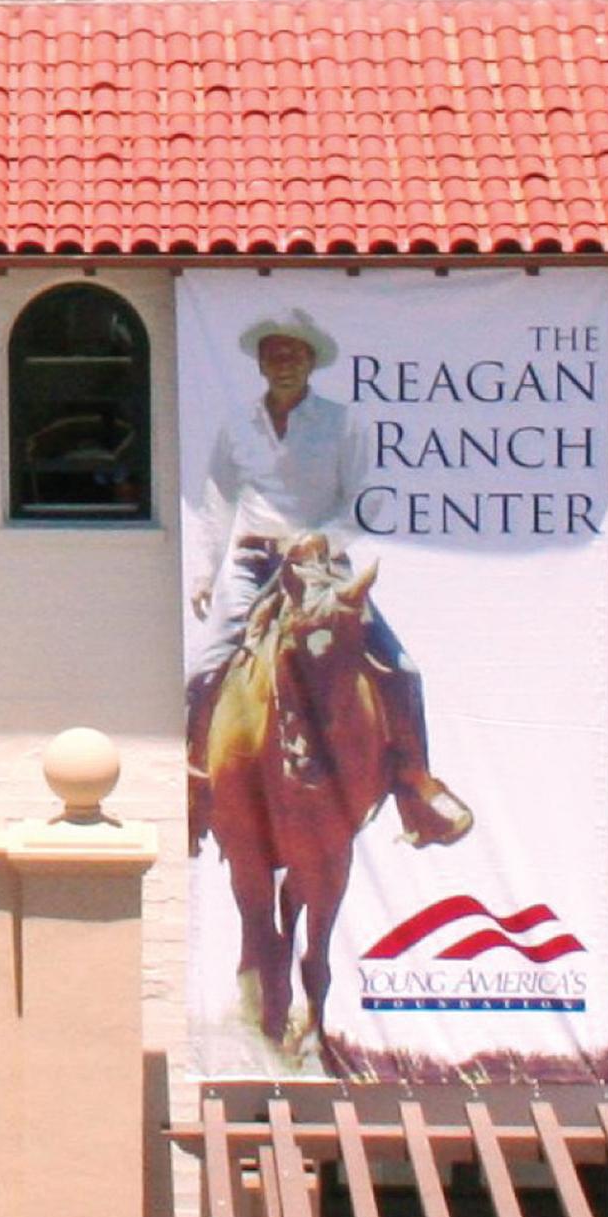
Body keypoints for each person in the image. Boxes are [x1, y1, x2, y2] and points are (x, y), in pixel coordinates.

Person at [186, 310, 472, 846]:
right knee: (204, 669)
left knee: (402, 668)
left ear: (311, 362)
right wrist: (205, 573)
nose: (283, 363)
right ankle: (198, 786)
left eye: (294, 354)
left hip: (318, 568)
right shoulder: (237, 425)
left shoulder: (344, 424)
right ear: (261, 363)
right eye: (273, 354)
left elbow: (365, 500)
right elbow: (218, 499)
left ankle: (416, 788)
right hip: (253, 563)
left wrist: (325, 539)